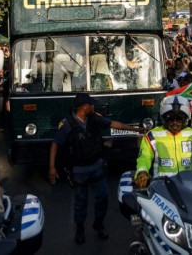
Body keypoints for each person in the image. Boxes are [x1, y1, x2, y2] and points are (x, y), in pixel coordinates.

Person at [49, 93, 143, 244]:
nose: (93, 106)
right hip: (79, 170)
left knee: (103, 197)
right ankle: (80, 229)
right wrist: (52, 167)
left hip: (97, 166)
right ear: (83, 107)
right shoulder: (67, 123)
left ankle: (98, 224)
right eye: (90, 104)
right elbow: (55, 144)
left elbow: (114, 124)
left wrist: (137, 130)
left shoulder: (94, 118)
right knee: (81, 201)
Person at [134, 95, 192, 188]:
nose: (175, 122)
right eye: (171, 119)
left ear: (185, 120)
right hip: (162, 187)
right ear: (164, 119)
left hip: (191, 186)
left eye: (179, 119)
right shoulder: (152, 136)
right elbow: (145, 157)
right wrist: (142, 172)